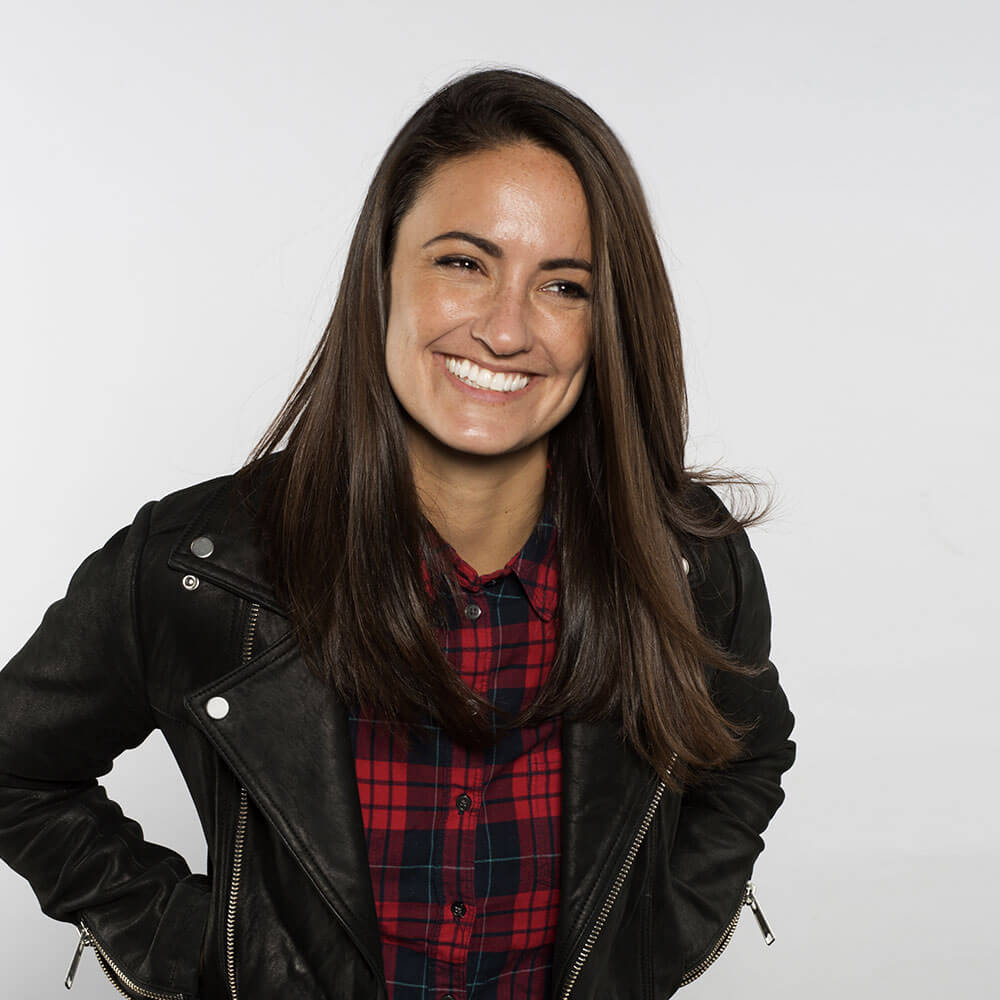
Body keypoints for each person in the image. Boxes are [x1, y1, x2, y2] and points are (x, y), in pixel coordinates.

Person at [0, 67, 795, 1000]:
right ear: (382, 273)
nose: (506, 330)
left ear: (606, 321)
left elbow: (746, 753)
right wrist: (202, 953)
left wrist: (659, 936)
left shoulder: (685, 563)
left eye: (565, 285)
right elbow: (19, 769)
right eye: (464, 262)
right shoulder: (198, 570)